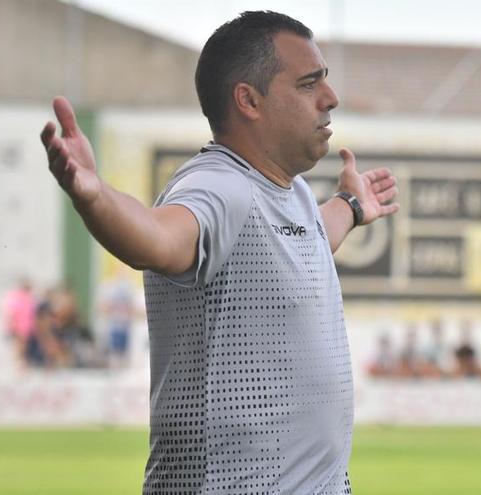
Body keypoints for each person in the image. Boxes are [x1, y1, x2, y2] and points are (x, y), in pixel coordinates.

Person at [40, 11, 398, 494]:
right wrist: (95, 196)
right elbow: (157, 238)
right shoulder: (219, 186)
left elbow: (311, 240)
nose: (330, 99)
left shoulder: (287, 193)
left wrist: (352, 206)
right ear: (249, 100)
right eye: (309, 84)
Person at [0, 278, 37, 368]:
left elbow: (32, 314)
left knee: (23, 347)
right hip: (18, 326)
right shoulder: (16, 297)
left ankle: (21, 363)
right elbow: (11, 313)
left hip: (26, 327)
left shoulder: (30, 298)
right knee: (19, 346)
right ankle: (19, 364)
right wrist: (11, 325)